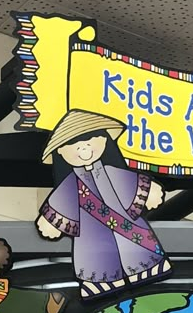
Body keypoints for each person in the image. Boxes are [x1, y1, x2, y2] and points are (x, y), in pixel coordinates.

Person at [36, 109, 172, 300]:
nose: (84, 150)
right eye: (76, 146)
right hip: (92, 235)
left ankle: (144, 270)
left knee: (139, 259)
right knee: (98, 264)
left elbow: (129, 183)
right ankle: (103, 281)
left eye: (90, 143)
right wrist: (50, 221)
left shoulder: (112, 171)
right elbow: (62, 200)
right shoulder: (70, 184)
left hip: (125, 230)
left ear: (104, 140)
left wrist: (150, 192)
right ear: (60, 151)